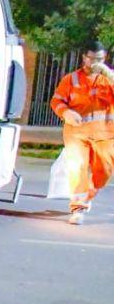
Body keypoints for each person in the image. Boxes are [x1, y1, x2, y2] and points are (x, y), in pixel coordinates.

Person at [50, 39, 114, 225]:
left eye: (99, 59)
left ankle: (87, 196)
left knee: (104, 171)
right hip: (77, 133)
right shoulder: (71, 79)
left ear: (105, 58)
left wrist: (109, 75)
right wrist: (66, 112)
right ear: (84, 58)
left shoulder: (108, 79)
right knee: (76, 167)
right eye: (92, 59)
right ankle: (78, 207)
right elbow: (57, 101)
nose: (95, 63)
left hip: (106, 134)